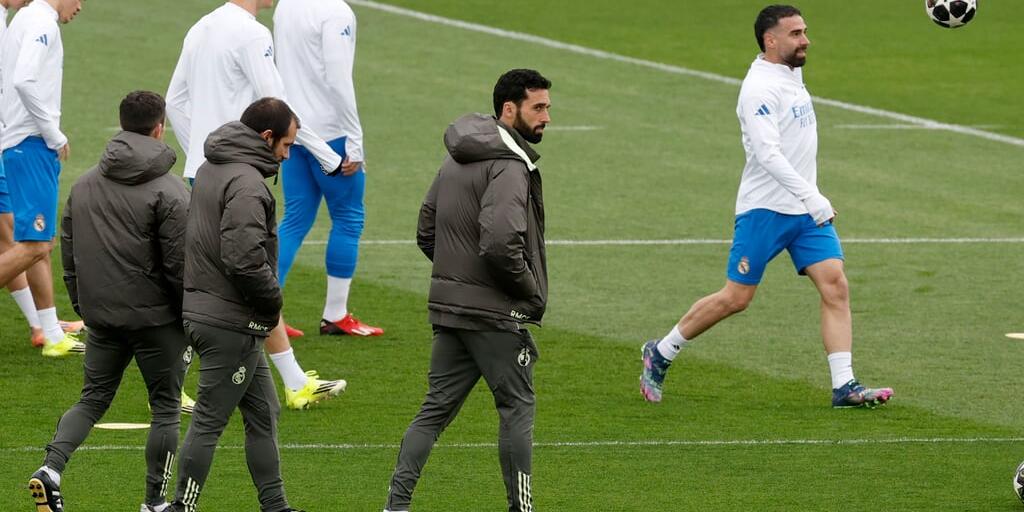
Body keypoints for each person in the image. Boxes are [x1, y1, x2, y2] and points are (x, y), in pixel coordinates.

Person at [639, 5, 893, 409]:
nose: (806, 40)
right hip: (765, 209)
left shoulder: (790, 73)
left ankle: (844, 385)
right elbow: (767, 153)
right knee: (736, 298)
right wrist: (812, 196)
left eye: (804, 31)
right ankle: (662, 350)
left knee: (835, 285)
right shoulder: (759, 88)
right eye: (795, 34)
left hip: (805, 213)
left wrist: (808, 199)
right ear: (770, 41)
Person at [384, 69, 551, 512]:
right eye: (538, 107)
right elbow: (501, 242)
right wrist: (528, 291)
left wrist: (458, 281)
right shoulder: (510, 165)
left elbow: (426, 231)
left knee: (433, 413)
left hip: (451, 309)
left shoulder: (456, 157)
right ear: (509, 109)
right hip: (494, 315)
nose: (547, 117)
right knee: (517, 407)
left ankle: (395, 506)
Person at [166, 0, 345, 410]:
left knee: (227, 275)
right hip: (236, 173)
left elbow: (174, 100)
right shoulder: (251, 32)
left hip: (204, 170)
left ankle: (294, 381)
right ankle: (170, 386)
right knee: (236, 274)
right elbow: (278, 107)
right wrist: (327, 156)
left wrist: (201, 154)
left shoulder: (202, 26)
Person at [28, 91, 189, 512]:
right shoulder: (170, 189)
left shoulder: (83, 185)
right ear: (159, 128)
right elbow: (180, 265)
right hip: (158, 322)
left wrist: (84, 306)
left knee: (92, 398)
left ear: (121, 125)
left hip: (102, 316)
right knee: (166, 409)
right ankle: (154, 503)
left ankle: (51, 468)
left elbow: (68, 252)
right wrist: (188, 315)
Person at [170, 98, 306, 512]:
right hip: (230, 321)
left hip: (208, 309)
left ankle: (275, 506)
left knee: (264, 411)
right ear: (266, 137)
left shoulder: (211, 167)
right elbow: (243, 259)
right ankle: (181, 507)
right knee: (209, 421)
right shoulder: (248, 185)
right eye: (286, 145)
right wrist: (272, 300)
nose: (287, 155)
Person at [273, 0, 383, 339]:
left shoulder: (286, 5)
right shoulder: (336, 12)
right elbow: (338, 79)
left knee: (294, 220)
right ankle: (335, 314)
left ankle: (265, 312)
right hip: (332, 135)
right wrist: (355, 140)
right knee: (349, 218)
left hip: (295, 132)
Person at [0, 0, 85, 356]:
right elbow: (23, 80)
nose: (79, 7)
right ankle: (49, 333)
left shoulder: (24, 17)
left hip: (21, 142)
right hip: (31, 143)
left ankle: (50, 334)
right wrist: (53, 133)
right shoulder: (42, 22)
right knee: (35, 245)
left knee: (37, 241)